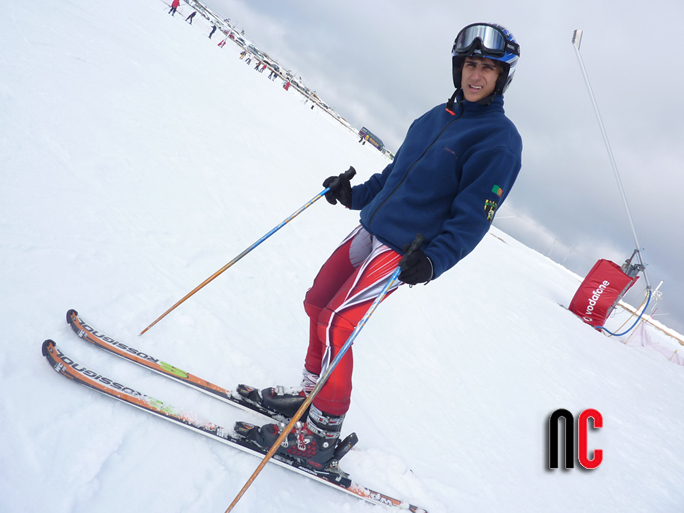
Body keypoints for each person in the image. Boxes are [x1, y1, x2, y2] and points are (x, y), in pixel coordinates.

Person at [236, 22, 523, 469]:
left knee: (338, 324)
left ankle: (322, 435)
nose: (476, 75)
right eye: (470, 64)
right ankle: (310, 396)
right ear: (458, 67)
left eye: (487, 68)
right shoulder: (435, 117)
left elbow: (473, 218)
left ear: (501, 77)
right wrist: (355, 196)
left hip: (402, 251)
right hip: (370, 231)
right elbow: (394, 178)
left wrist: (432, 261)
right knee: (317, 303)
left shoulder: (500, 141)